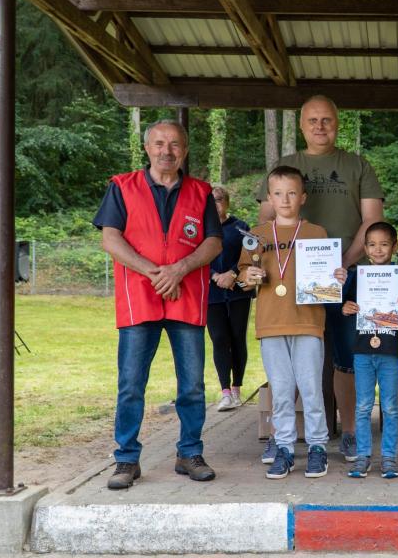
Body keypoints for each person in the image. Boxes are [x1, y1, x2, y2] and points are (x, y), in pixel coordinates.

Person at [94, 120, 222, 490]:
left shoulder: (201, 192)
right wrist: (156, 273)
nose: (167, 151)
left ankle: (189, 453)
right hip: (140, 297)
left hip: (187, 297)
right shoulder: (122, 187)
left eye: (175, 144)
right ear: (147, 148)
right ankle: (126, 459)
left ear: (184, 150)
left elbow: (213, 242)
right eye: (159, 143)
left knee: (193, 385)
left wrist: (180, 269)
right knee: (131, 383)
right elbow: (111, 239)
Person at [257, 96, 384, 462]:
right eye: (312, 120)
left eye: (327, 119)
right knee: (290, 357)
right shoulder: (285, 166)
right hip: (290, 281)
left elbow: (372, 222)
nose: (320, 126)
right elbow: (266, 223)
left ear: (337, 123)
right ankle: (283, 437)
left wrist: (341, 263)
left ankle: (349, 431)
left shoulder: (357, 165)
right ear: (301, 125)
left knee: (346, 356)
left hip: (348, 273)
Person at [239, 165, 347, 480]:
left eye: (291, 193)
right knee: (282, 391)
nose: (284, 199)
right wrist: (250, 276)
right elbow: (243, 276)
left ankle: (317, 447)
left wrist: (337, 276)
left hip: (309, 322)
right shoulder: (255, 236)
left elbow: (328, 278)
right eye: (277, 193)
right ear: (269, 198)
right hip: (271, 323)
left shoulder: (317, 233)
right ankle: (284, 447)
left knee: (312, 388)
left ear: (302, 197)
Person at [341, 222, 398, 479]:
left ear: (394, 247)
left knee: (391, 407)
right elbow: (345, 306)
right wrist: (347, 308)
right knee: (362, 406)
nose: (378, 249)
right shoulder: (356, 276)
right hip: (362, 350)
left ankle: (389, 458)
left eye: (384, 244)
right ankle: (362, 457)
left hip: (391, 351)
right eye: (372, 244)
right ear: (364, 248)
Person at [207, 186, 253, 412]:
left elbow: (251, 255)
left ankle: (237, 388)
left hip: (238, 291)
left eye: (218, 200)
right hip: (211, 293)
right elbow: (193, 256)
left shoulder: (240, 227)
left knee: (237, 337)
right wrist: (214, 276)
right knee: (219, 338)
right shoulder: (200, 228)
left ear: (226, 202)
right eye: (210, 200)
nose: (215, 204)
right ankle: (224, 391)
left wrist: (233, 273)